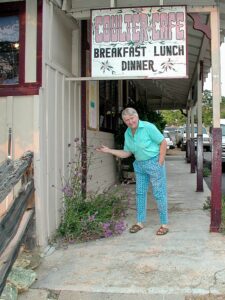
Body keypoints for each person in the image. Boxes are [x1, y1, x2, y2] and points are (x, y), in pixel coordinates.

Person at [96, 107, 169, 235]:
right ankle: (140, 222)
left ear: (137, 116)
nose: (130, 122)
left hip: (154, 162)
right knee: (140, 193)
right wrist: (109, 150)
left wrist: (160, 162)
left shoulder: (148, 127)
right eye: (127, 120)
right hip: (139, 165)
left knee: (159, 193)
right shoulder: (128, 133)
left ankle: (164, 224)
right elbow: (127, 153)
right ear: (124, 121)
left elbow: (162, 142)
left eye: (132, 118)